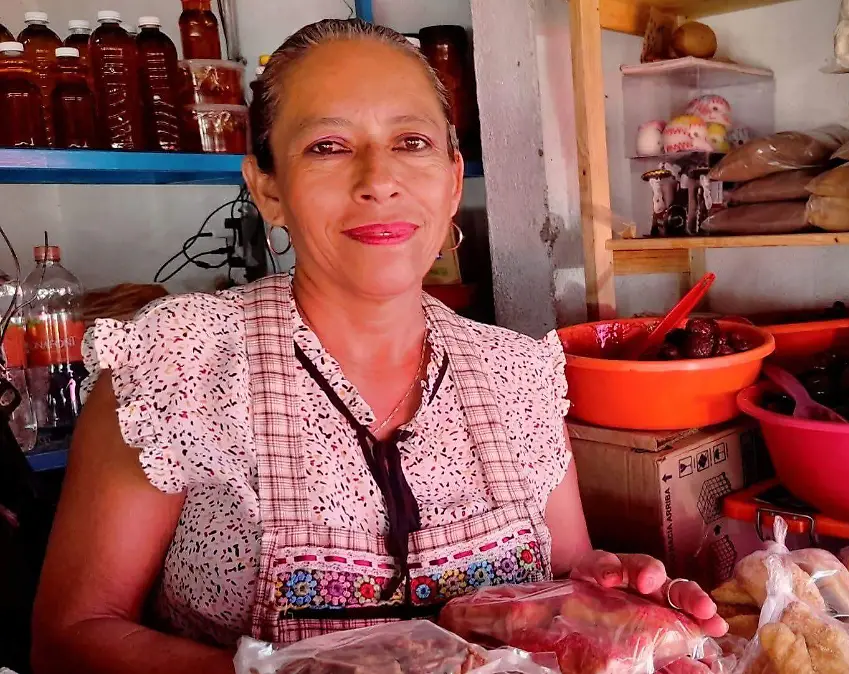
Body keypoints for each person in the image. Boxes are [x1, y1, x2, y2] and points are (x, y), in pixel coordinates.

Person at [30, 18, 725, 674]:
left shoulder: (518, 374)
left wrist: (606, 598)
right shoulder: (175, 362)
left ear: (452, 181)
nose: (378, 180)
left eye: (411, 142)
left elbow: (563, 585)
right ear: (267, 188)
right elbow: (70, 638)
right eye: (327, 147)